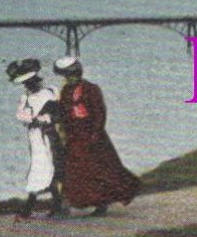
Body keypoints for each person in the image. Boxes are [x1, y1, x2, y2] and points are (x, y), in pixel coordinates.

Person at [53, 56, 141, 216]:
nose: (70, 79)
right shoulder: (66, 91)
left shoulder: (91, 89)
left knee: (99, 169)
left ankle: (101, 203)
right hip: (75, 135)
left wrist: (95, 134)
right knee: (76, 170)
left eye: (72, 76)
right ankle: (75, 201)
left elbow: (100, 113)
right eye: (67, 76)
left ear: (78, 74)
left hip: (91, 133)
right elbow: (64, 114)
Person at [8, 58, 66, 218]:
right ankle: (56, 203)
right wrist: (38, 114)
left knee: (46, 166)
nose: (29, 85)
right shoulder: (27, 98)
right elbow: (23, 117)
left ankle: (31, 206)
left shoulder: (49, 93)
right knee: (44, 166)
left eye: (31, 82)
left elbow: (59, 113)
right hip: (36, 137)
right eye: (27, 83)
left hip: (49, 134)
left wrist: (45, 114)